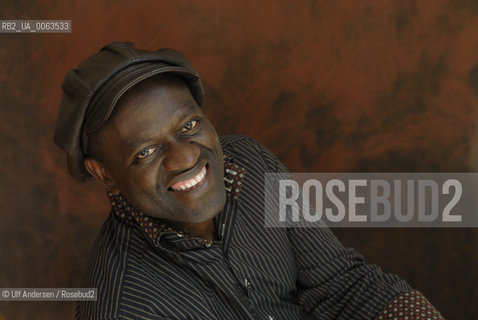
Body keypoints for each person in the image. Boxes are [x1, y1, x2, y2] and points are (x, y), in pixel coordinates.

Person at [54, 42, 444, 320]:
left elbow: (342, 285)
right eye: (146, 152)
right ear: (104, 173)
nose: (186, 156)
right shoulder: (124, 307)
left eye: (189, 126)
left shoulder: (252, 164)